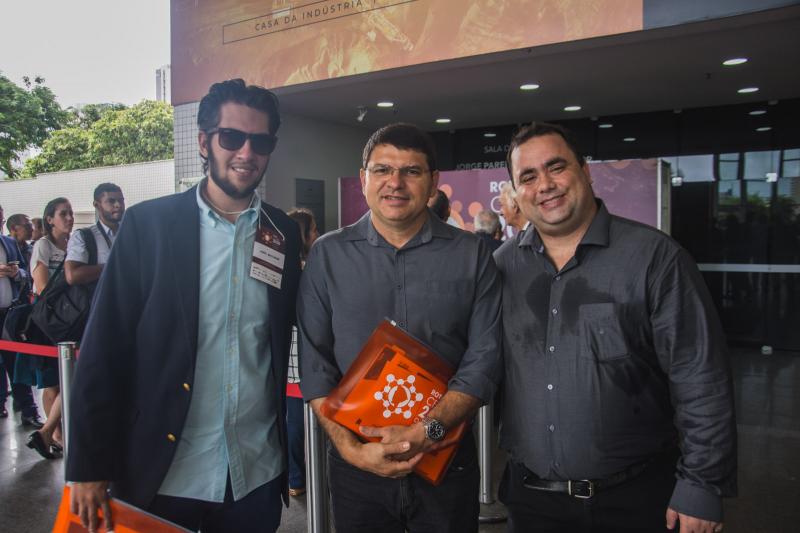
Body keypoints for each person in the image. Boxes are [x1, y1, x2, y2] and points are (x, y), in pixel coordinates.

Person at [66, 79, 301, 533]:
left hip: (253, 474)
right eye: (232, 137)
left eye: (261, 141)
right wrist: (88, 465)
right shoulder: (149, 225)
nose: (247, 153)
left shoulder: (281, 233)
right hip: (163, 473)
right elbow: (104, 348)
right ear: (204, 142)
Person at [495, 122, 737, 533]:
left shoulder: (654, 258)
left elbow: (700, 375)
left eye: (556, 167)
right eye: (528, 177)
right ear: (516, 192)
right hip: (532, 502)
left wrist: (702, 483)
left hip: (635, 501)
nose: (545, 185)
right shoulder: (501, 267)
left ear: (585, 171)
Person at [298, 123, 501, 533]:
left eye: (411, 171)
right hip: (357, 466)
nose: (395, 182)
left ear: (433, 182)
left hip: (447, 460)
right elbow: (315, 364)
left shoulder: (472, 255)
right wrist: (350, 450)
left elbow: (485, 360)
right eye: (382, 170)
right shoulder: (328, 255)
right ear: (364, 179)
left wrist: (429, 431)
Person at [22, 198, 74, 459]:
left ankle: (51, 433)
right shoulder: (43, 246)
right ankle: (54, 435)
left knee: (69, 376)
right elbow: (42, 286)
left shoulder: (74, 243)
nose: (69, 218)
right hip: (48, 320)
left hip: (68, 319)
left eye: (71, 213)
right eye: (63, 214)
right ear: (50, 219)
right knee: (51, 380)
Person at [284, 207, 320, 497]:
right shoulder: (307, 273)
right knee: (299, 425)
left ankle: (296, 479)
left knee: (293, 423)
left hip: (288, 361)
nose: (317, 234)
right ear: (303, 236)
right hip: (302, 360)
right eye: (314, 230)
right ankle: (303, 478)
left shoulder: (281, 270)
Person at [1, 213, 41, 428]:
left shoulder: (8, 244)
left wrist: (16, 273)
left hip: (10, 312)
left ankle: (28, 410)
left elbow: (26, 272)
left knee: (15, 361)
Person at [65, 183, 125, 288]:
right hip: (99, 297)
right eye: (111, 201)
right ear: (97, 205)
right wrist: (114, 266)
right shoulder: (84, 236)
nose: (118, 205)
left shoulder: (131, 233)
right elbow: (72, 276)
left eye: (121, 200)